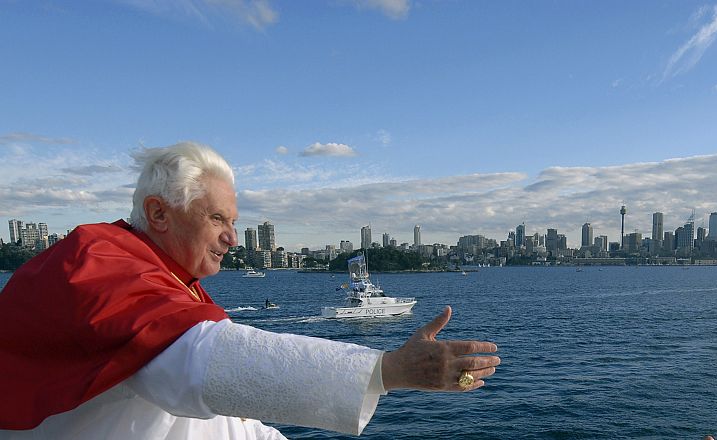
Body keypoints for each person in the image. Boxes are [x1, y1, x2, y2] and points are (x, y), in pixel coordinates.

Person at [0, 142, 500, 439]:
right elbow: (201, 365)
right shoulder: (97, 264)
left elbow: (214, 410)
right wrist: (387, 370)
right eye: (217, 218)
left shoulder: (167, 282)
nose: (232, 238)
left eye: (234, 222)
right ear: (158, 213)